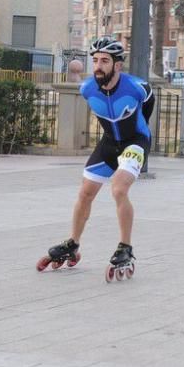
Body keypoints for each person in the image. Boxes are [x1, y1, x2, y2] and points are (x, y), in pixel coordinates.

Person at [37, 36, 155, 281]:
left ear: (117, 65)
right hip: (109, 142)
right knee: (85, 192)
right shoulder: (87, 88)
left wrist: (140, 133)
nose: (98, 66)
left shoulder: (137, 87)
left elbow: (148, 105)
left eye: (104, 61)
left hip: (135, 141)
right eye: (95, 61)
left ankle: (125, 247)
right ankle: (73, 243)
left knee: (119, 189)